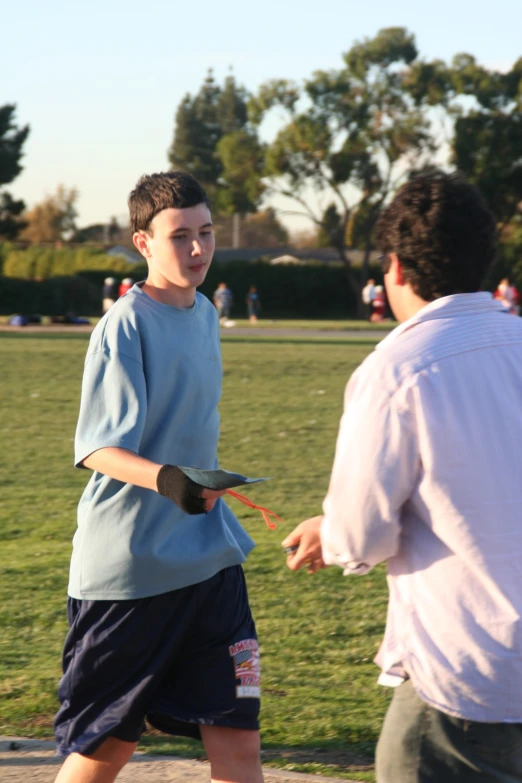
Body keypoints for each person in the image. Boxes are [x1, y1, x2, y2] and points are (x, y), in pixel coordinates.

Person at [282, 171, 522, 782]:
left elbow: (363, 533)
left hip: (465, 682)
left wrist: (331, 531)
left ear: (394, 268)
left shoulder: (397, 369)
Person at [53, 171, 263, 783]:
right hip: (132, 571)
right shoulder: (123, 325)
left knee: (238, 740)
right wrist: (175, 482)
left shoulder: (203, 313)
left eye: (206, 234)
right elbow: (96, 448)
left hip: (209, 557)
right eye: (180, 237)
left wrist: (203, 485)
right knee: (107, 750)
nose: (197, 250)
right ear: (143, 243)